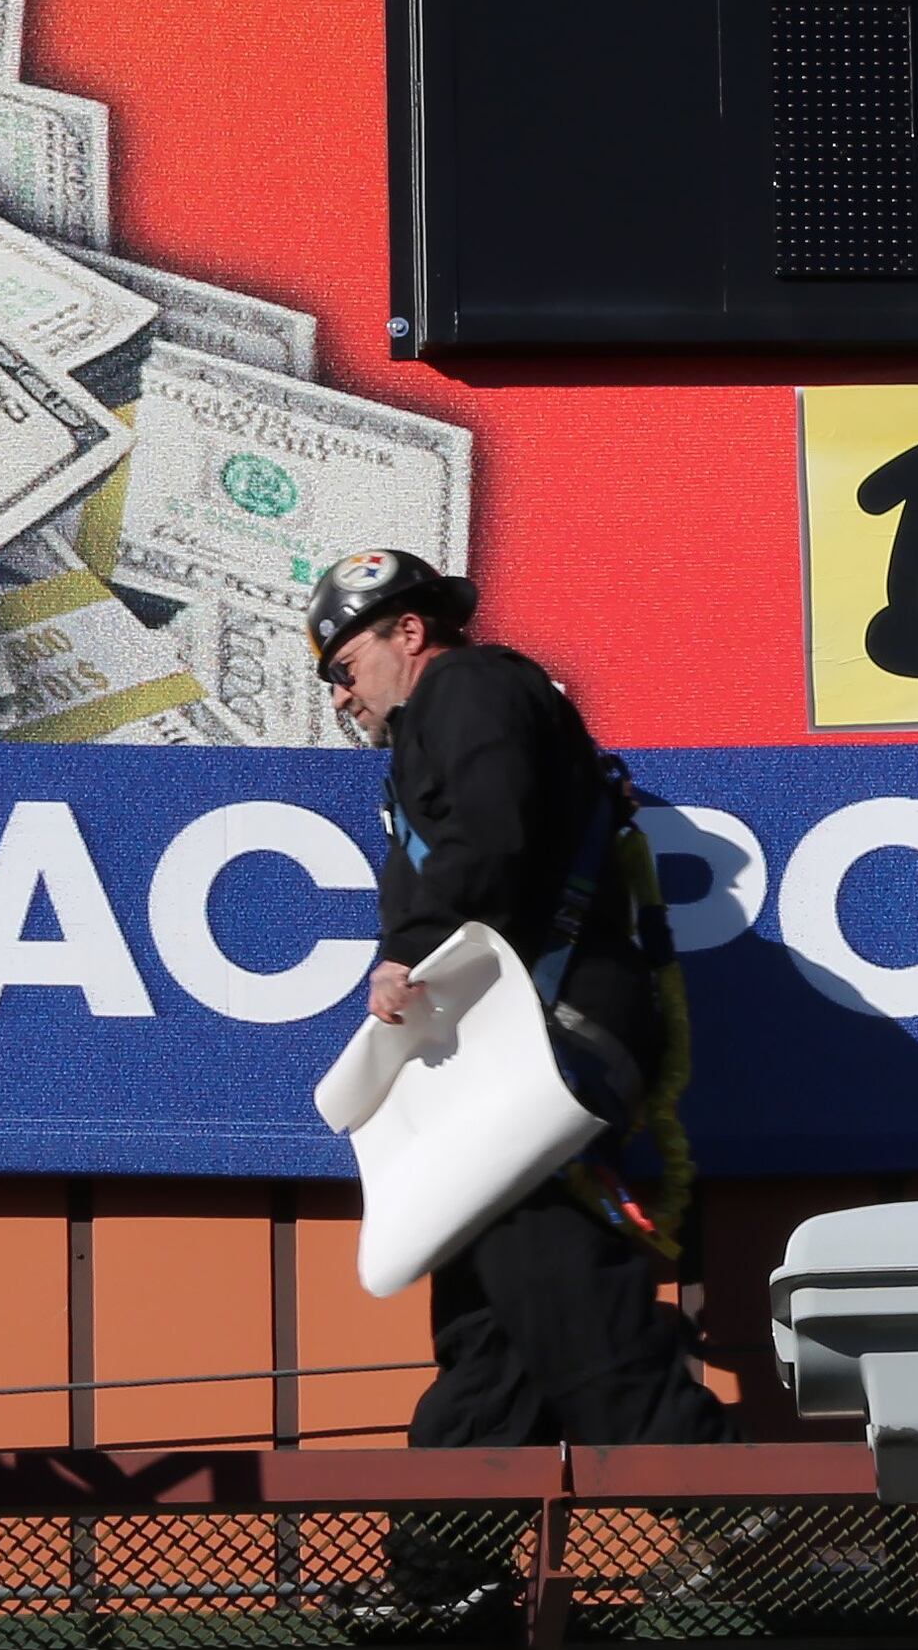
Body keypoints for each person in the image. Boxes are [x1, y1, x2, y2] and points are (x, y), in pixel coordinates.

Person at [309, 548, 732, 1465]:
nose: (340, 699)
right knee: (490, 1320)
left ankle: (738, 1516)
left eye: (343, 670)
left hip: (551, 1031)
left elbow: (492, 831)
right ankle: (448, 1571)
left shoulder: (470, 690)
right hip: (531, 1037)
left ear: (408, 633)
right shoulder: (460, 714)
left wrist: (410, 949)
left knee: (557, 1280)